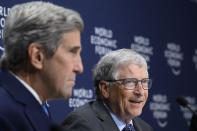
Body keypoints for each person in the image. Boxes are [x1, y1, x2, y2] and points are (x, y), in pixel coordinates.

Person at [0, 1, 84, 131]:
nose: (79, 68)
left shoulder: (35, 109)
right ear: (37, 56)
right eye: (72, 52)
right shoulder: (5, 115)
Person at [62, 49, 153, 131]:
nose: (140, 92)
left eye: (144, 82)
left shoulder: (145, 128)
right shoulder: (83, 125)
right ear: (105, 89)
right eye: (130, 82)